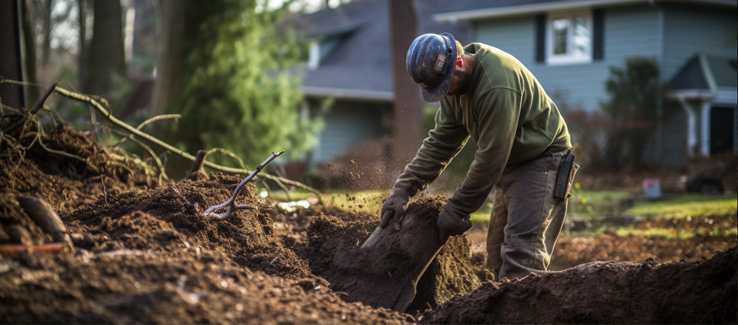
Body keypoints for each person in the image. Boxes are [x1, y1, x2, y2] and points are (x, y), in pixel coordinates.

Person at [380, 32, 578, 280]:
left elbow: (492, 156)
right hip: (512, 163)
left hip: (543, 159)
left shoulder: (496, 84)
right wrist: (403, 188)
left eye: (444, 86)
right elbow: (440, 143)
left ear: (459, 63)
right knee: (496, 255)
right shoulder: (454, 87)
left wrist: (457, 207)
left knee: (522, 256)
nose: (445, 94)